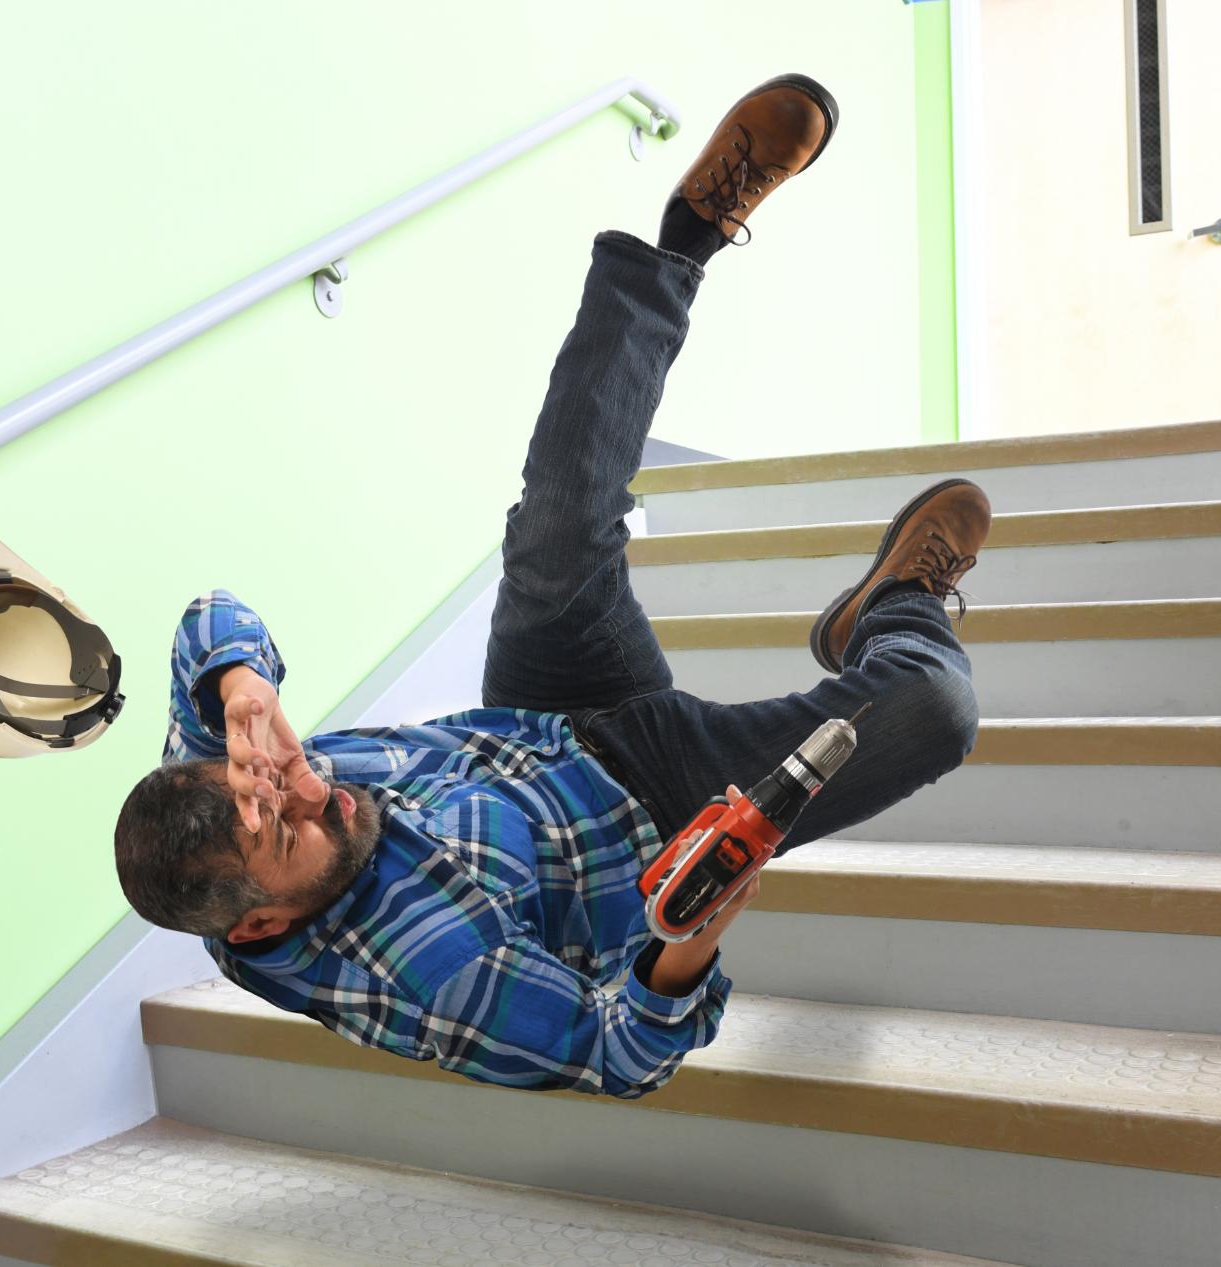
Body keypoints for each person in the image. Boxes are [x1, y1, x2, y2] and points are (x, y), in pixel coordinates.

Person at [113, 74, 989, 1100]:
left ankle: (686, 240)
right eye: (289, 829)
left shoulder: (227, 784)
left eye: (281, 774)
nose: (313, 789)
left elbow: (207, 620)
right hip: (669, 806)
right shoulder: (430, 981)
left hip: (542, 712)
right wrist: (686, 945)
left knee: (555, 523)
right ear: (260, 920)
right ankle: (893, 610)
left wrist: (239, 688)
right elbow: (621, 1054)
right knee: (936, 709)